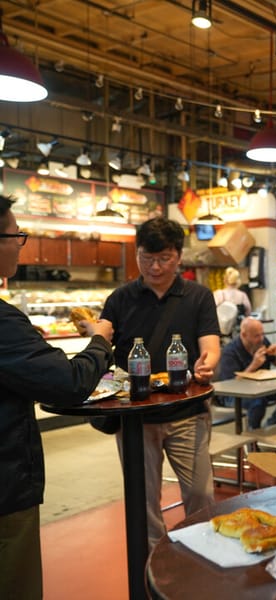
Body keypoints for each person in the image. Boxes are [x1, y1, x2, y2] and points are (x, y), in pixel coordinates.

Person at [0, 194, 114, 599]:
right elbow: (67, 382)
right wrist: (99, 342)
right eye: (17, 235)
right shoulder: (4, 320)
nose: (18, 243)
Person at [100, 216, 221, 549]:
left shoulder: (198, 296)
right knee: (144, 500)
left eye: (163, 258)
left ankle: (203, 555)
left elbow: (210, 346)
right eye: (146, 257)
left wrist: (206, 365)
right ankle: (152, 569)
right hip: (136, 417)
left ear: (178, 256)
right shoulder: (120, 298)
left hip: (187, 410)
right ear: (137, 253)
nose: (154, 266)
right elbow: (101, 342)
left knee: (200, 493)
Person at [215, 317, 276, 429]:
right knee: (257, 402)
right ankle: (253, 436)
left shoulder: (262, 342)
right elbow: (230, 384)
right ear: (244, 335)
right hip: (233, 395)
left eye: (262, 334)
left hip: (259, 390)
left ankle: (271, 425)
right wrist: (254, 365)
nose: (261, 338)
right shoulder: (230, 352)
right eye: (256, 336)